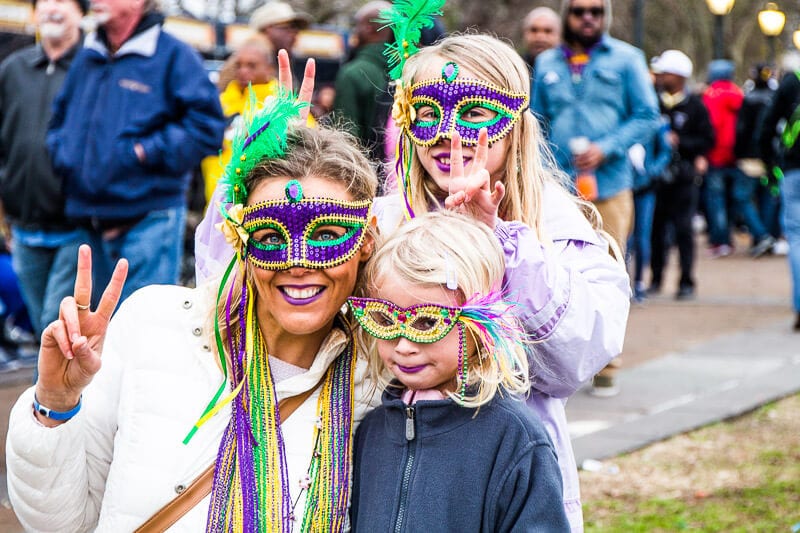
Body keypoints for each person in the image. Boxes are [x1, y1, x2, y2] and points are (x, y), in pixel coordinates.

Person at [6, 92, 380, 530]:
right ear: (239, 237)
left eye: (327, 234)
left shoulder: (376, 383)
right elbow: (59, 524)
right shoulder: (153, 324)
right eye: (271, 237)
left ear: (367, 239)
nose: (298, 262)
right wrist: (56, 403)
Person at [378, 29, 629, 530]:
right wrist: (270, 166)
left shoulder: (554, 225)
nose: (450, 135)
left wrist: (505, 246)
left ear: (514, 124)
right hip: (391, 473)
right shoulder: (381, 222)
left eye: (474, 112)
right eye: (428, 112)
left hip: (506, 478)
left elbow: (576, 357)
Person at [349, 210, 569, 531]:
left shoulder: (514, 437)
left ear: (478, 326)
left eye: (427, 322)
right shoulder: (372, 431)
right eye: (385, 320)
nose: (404, 345)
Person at [46, 0, 224, 305]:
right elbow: (59, 117)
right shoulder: (88, 55)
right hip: (87, 221)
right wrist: (63, 154)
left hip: (149, 221)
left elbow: (207, 127)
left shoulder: (174, 56)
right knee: (66, 325)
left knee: (138, 332)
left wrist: (144, 151)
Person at [531, 0, 659, 397]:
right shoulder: (548, 63)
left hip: (610, 184)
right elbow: (533, 121)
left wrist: (607, 147)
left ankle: (608, 366)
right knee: (553, 272)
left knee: (610, 270)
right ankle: (560, 365)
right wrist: (535, 175)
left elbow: (648, 115)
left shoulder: (627, 59)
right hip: (558, 189)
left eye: (596, 12)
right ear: (566, 15)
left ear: (606, 17)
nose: (588, 18)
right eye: (579, 11)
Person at [0, 0, 86, 339]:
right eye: (45, 1)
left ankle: (53, 392)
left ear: (82, 12)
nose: (53, 8)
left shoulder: (93, 68)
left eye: (64, 1)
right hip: (24, 228)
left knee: (57, 322)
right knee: (43, 326)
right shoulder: (12, 69)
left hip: (78, 227)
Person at [648, 50, 714, 300]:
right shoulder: (654, 102)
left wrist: (682, 142)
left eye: (665, 72)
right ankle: (655, 278)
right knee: (656, 229)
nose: (661, 76)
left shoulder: (695, 105)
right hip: (658, 176)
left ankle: (686, 280)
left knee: (684, 229)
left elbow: (707, 138)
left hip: (684, 177)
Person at [703, 59, 775, 259]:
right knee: (757, 197)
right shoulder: (739, 93)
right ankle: (762, 235)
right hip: (748, 156)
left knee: (723, 199)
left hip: (723, 155)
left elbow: (715, 125)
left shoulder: (712, 96)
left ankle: (725, 240)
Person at [201, 35, 280, 205]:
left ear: (270, 69)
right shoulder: (221, 102)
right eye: (239, 65)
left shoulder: (281, 105)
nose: (243, 71)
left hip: (260, 207)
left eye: (252, 65)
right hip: (215, 204)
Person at [759, 67, 800, 331]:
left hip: (794, 169)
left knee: (796, 237)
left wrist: (770, 167)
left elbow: (767, 124)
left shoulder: (791, 81)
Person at [333, 1, 392, 164]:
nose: (355, 31)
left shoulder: (352, 73)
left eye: (357, 25)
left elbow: (346, 136)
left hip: (365, 171)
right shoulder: (409, 68)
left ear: (368, 28)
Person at [249, 1, 312, 90]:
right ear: (266, 30)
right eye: (287, 27)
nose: (294, 34)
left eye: (296, 28)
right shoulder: (250, 60)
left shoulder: (282, 58)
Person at [521, 6, 561, 74]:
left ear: (559, 35)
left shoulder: (569, 70)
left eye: (548, 31)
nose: (540, 37)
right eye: (534, 30)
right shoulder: (516, 67)